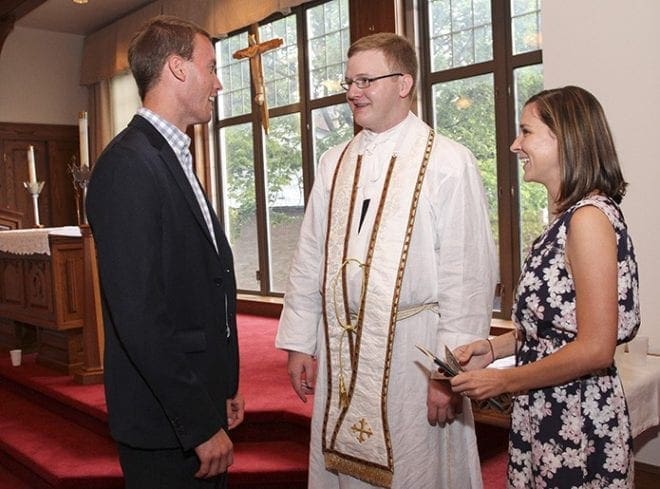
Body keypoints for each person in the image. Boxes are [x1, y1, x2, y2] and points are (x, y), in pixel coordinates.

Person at [276, 32, 497, 489]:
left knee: (415, 469)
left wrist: (448, 374)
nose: (353, 92)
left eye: (365, 80)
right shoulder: (333, 161)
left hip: (414, 355)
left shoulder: (449, 161)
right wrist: (301, 341)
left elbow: (467, 275)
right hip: (341, 347)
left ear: (403, 83)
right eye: (349, 81)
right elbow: (310, 256)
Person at [449, 86, 641, 488]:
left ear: (566, 140)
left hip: (576, 418)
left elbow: (595, 347)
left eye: (527, 131)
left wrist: (503, 381)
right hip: (547, 406)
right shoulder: (568, 218)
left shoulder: (588, 220)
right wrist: (493, 348)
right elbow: (554, 328)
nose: (515, 144)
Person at [86, 15, 244, 489]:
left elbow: (202, 284)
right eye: (211, 67)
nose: (218, 83)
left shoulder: (169, 154)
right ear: (177, 68)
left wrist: (224, 387)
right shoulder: (128, 165)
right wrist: (197, 424)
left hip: (196, 402)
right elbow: (140, 316)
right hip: (167, 427)